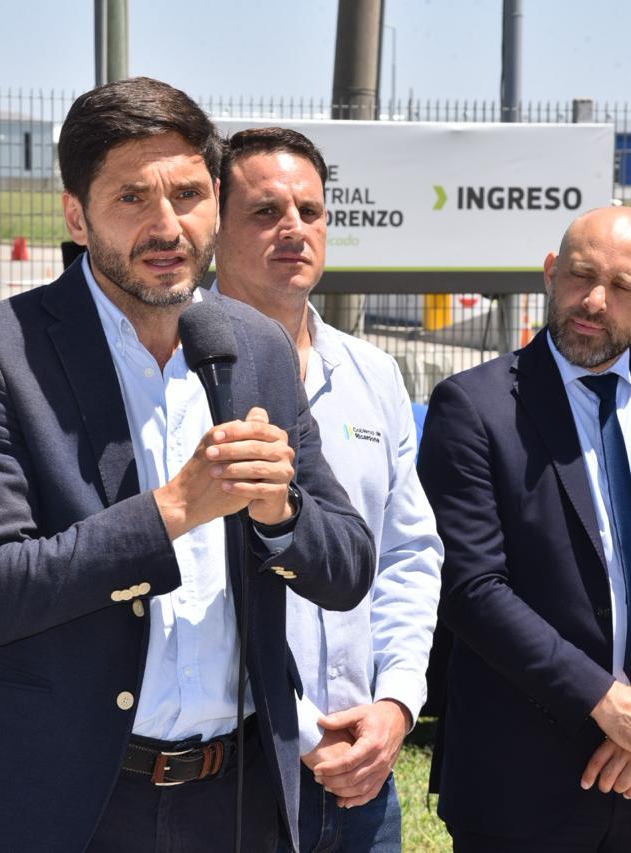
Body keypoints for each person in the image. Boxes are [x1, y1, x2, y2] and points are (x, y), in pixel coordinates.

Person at [0, 78, 375, 852]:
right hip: (66, 803)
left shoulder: (256, 347)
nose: (167, 226)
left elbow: (349, 565)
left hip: (235, 801)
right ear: (76, 215)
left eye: (188, 194)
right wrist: (172, 511)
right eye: (132, 197)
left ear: (215, 200)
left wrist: (281, 513)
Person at [419, 206, 631, 851]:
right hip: (522, 779)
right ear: (551, 273)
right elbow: (471, 586)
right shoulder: (475, 407)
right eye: (581, 275)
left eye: (624, 287)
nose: (595, 301)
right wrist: (606, 702)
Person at [214, 126, 443, 853]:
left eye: (310, 211)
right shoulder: (178, 370)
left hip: (363, 768)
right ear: (214, 226)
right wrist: (304, 728)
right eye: (265, 211)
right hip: (234, 769)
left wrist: (397, 703)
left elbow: (407, 553)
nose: (294, 228)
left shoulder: (373, 373)